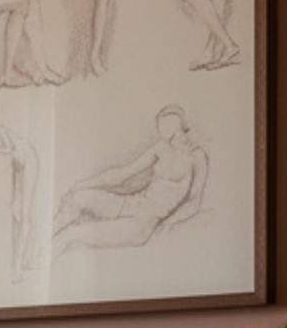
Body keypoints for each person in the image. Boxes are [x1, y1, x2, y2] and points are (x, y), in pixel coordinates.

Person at [52, 107, 208, 252]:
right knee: (78, 198)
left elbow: (194, 201)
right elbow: (123, 173)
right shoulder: (161, 148)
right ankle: (36, 244)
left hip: (142, 222)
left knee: (71, 234)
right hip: (129, 204)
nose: (174, 138)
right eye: (167, 133)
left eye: (174, 131)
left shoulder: (197, 157)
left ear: (182, 127)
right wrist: (80, 185)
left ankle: (35, 265)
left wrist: (170, 222)